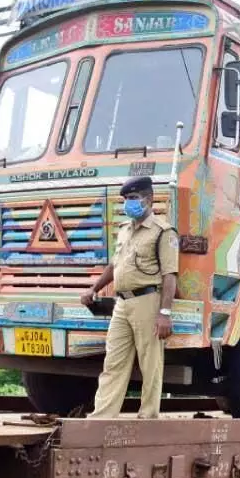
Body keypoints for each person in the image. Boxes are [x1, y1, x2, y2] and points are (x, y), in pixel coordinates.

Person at [81, 176, 178, 419]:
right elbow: (115, 265)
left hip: (148, 300)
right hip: (122, 303)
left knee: (150, 363)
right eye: (126, 199)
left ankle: (148, 417)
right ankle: (101, 417)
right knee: (113, 362)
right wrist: (94, 288)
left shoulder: (163, 232)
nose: (128, 203)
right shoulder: (125, 230)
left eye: (133, 198)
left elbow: (170, 275)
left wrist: (164, 313)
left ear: (149, 199)